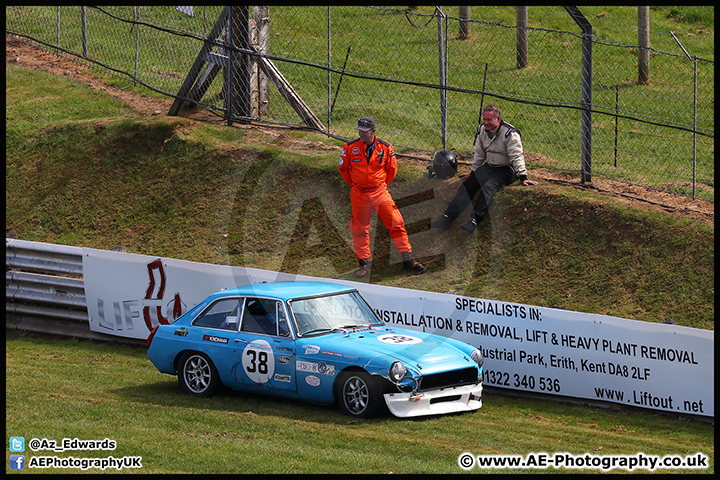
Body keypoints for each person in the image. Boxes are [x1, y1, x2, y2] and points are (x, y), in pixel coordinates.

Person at [339, 116, 424, 278]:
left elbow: (392, 170)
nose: (361, 134)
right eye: (359, 131)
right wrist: (356, 185)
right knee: (359, 229)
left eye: (365, 131)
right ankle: (363, 263)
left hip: (380, 192)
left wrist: (380, 185)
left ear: (373, 131)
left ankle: (408, 259)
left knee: (396, 222)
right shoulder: (349, 147)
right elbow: (343, 169)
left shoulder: (385, 147)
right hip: (359, 193)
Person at [430, 104, 537, 232]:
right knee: (468, 185)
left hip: (507, 169)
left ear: (498, 119)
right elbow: (480, 154)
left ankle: (474, 220)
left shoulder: (510, 133)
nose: (486, 123)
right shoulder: (481, 130)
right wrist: (473, 172)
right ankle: (447, 218)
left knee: (489, 186)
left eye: (489, 120)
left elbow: (517, 156)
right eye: (484, 119)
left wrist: (523, 177)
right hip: (489, 166)